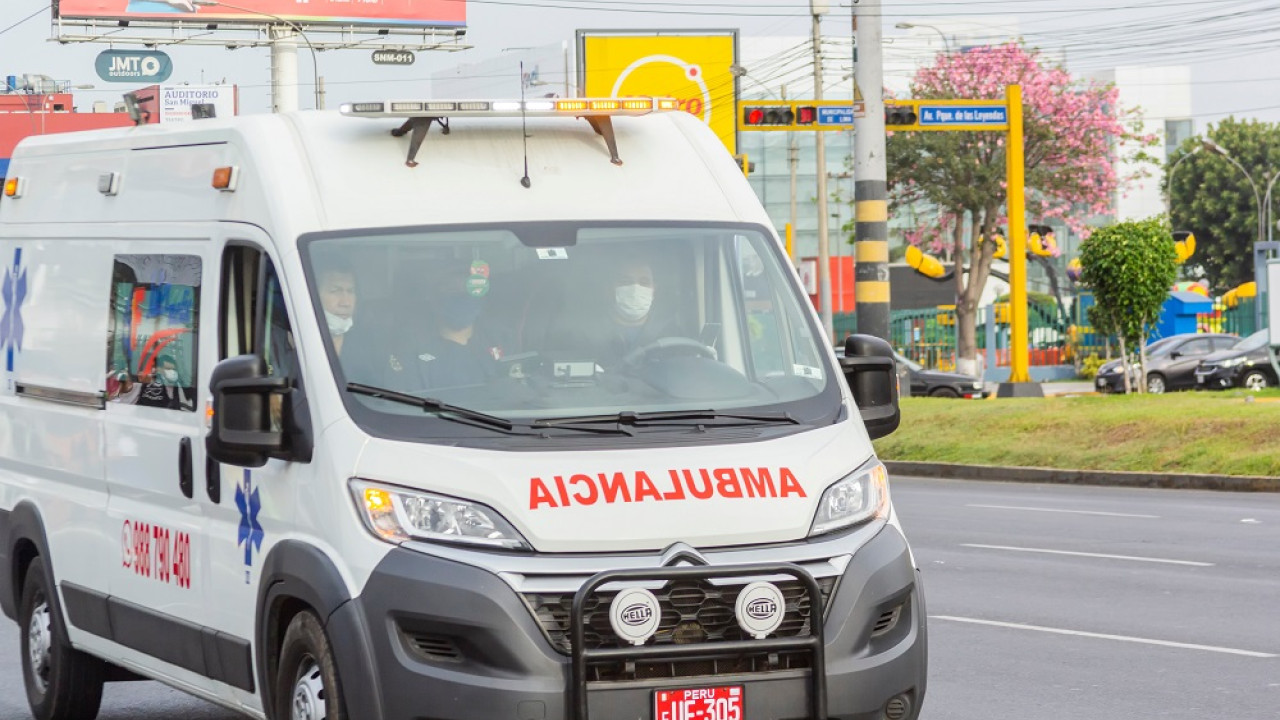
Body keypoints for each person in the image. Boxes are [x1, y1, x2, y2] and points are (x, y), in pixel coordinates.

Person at [379, 260, 507, 394]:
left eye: (467, 289)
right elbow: (404, 404)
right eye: (451, 290)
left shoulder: (499, 339)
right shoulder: (410, 351)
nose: (461, 295)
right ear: (434, 298)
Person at [316, 263, 358, 356]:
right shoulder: (294, 341)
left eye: (350, 291)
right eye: (335, 291)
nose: (346, 303)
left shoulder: (367, 345)